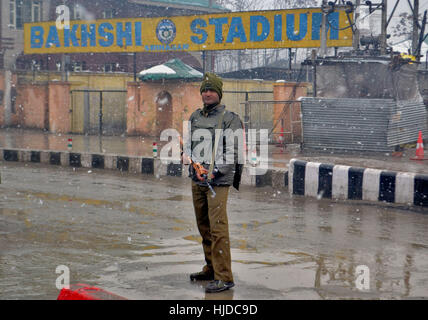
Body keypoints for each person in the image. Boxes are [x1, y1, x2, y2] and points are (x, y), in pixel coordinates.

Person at [185, 72, 244, 293]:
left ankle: (224, 277)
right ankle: (211, 269)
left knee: (218, 228)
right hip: (197, 179)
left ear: (219, 93)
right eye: (204, 90)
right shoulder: (195, 117)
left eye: (211, 90)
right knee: (204, 227)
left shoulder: (230, 119)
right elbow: (189, 146)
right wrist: (192, 164)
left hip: (217, 182)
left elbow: (233, 152)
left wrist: (214, 172)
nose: (207, 93)